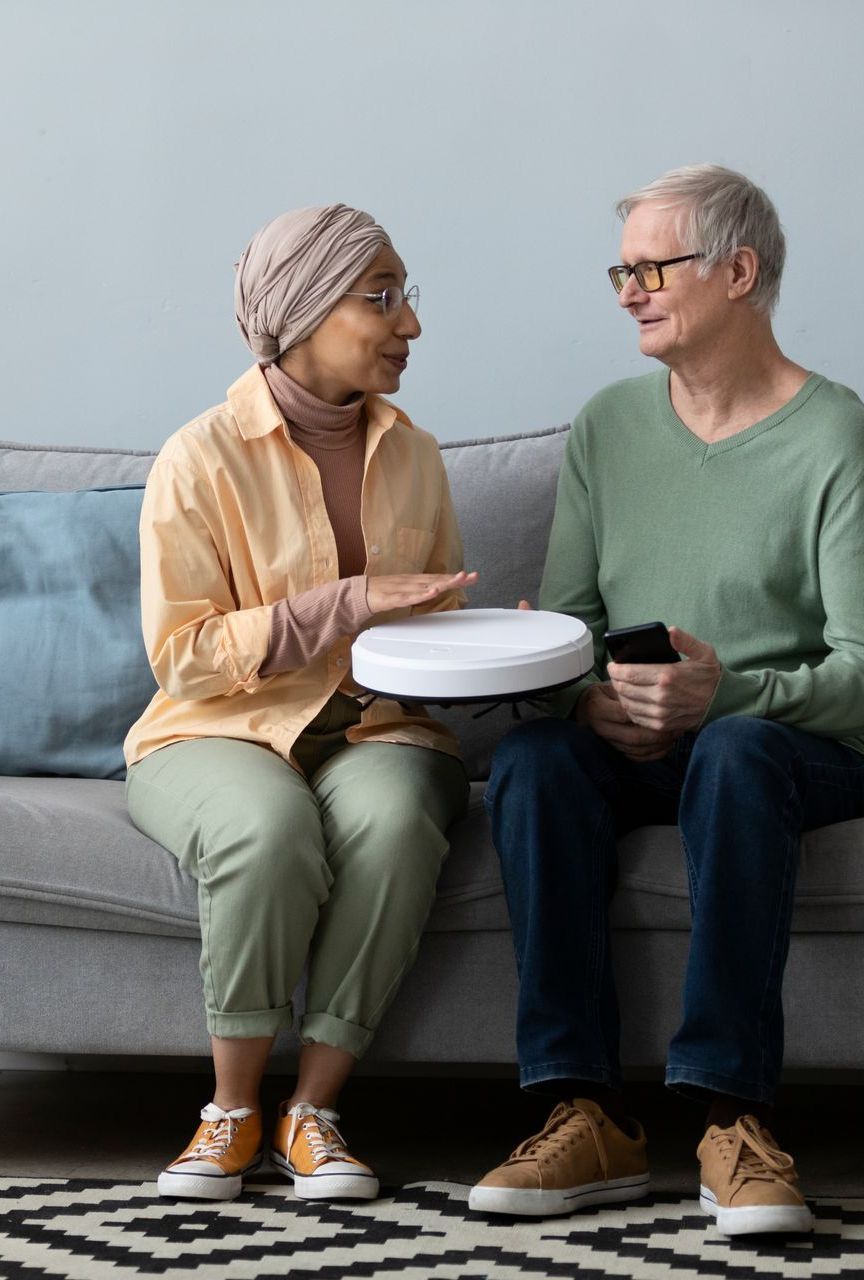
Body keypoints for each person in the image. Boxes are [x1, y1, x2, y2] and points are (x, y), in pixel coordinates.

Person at [469, 165, 864, 1234]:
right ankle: (585, 1110)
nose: (628, 289)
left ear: (740, 272)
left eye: (652, 267)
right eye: (622, 269)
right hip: (643, 745)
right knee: (530, 761)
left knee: (739, 750)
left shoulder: (834, 433)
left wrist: (726, 692)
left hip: (795, 749)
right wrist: (584, 700)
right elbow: (566, 623)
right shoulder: (609, 426)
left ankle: (735, 1117)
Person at [124, 205, 476, 1203]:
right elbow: (184, 655)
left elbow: (427, 623)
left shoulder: (416, 452)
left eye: (407, 296)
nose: (409, 324)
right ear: (307, 309)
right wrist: (344, 605)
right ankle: (230, 1111)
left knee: (398, 815)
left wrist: (487, 644)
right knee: (266, 828)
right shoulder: (198, 458)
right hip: (214, 726)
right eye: (383, 297)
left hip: (376, 728)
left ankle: (311, 1110)